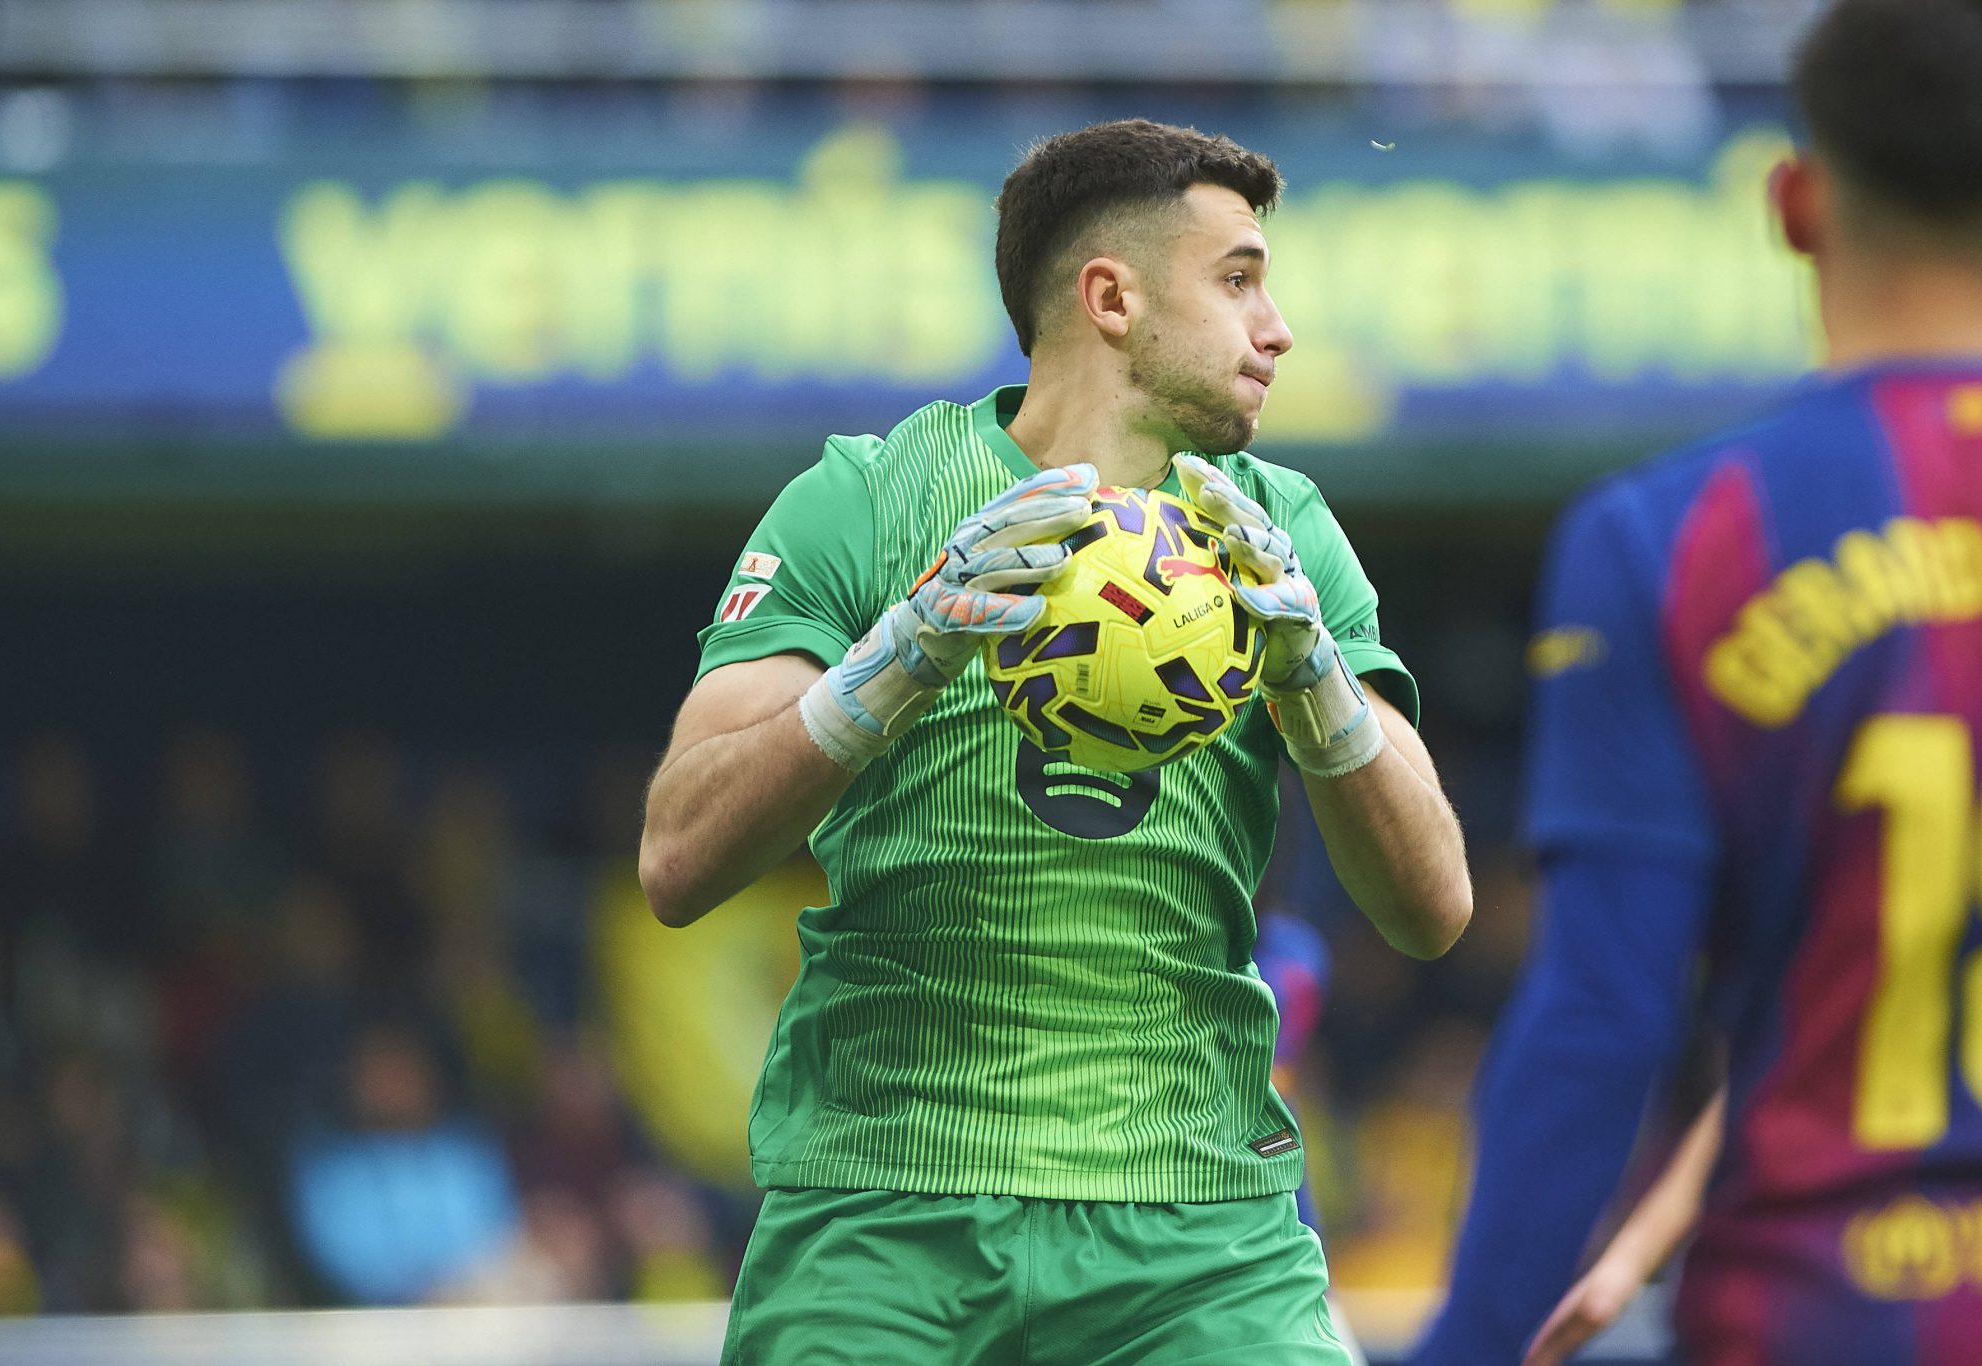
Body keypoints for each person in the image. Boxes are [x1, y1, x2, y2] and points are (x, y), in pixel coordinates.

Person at [640, 118, 1471, 1364]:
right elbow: (676, 854)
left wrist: (1315, 687)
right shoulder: (865, 498)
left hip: (1201, 1235)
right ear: (1110, 297)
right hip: (882, 1215)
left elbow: (1433, 907)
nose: (1277, 325)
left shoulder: (1282, 527)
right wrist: (901, 655)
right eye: (1237, 279)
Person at [1411, 0, 1982, 1360]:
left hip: (1819, 1306)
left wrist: (1477, 1339)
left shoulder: (1680, 537)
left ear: (1794, 202)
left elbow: (1605, 1015)